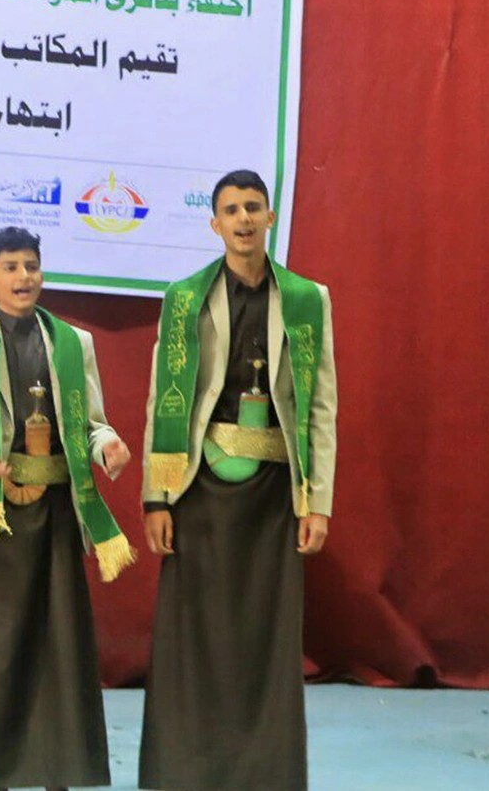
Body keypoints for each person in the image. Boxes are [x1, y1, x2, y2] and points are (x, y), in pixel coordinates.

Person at [137, 169, 337, 791]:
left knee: (265, 640)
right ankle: (187, 773)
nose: (243, 218)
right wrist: (156, 497)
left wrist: (318, 503)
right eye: (231, 209)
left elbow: (321, 406)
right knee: (195, 637)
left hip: (274, 498)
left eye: (253, 207)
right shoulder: (184, 299)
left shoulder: (307, 299)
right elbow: (164, 402)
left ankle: (264, 775)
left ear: (270, 218)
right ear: (215, 223)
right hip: (198, 492)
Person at [0, 226, 135, 791]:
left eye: (31, 266)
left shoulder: (73, 343)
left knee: (58, 652)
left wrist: (107, 446)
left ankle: (57, 775)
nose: (24, 277)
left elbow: (91, 425)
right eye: (11, 267)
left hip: (56, 519)